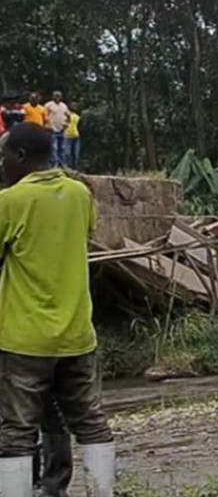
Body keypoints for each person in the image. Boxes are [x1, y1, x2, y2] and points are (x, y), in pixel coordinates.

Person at [0, 124, 115, 497]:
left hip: (24, 337)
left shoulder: (10, 201)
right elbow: (80, 238)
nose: (2, 166)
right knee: (89, 421)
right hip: (76, 334)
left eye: (4, 158)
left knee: (16, 430)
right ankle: (97, 491)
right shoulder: (79, 194)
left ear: (19, 156)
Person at [43, 92, 69, 167]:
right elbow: (45, 116)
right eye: (56, 96)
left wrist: (66, 124)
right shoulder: (48, 105)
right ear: (53, 97)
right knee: (54, 148)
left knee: (62, 148)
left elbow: (68, 115)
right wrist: (48, 126)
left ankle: (62, 165)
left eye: (59, 96)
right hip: (52, 129)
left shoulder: (64, 106)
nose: (57, 98)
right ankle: (54, 165)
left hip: (62, 129)